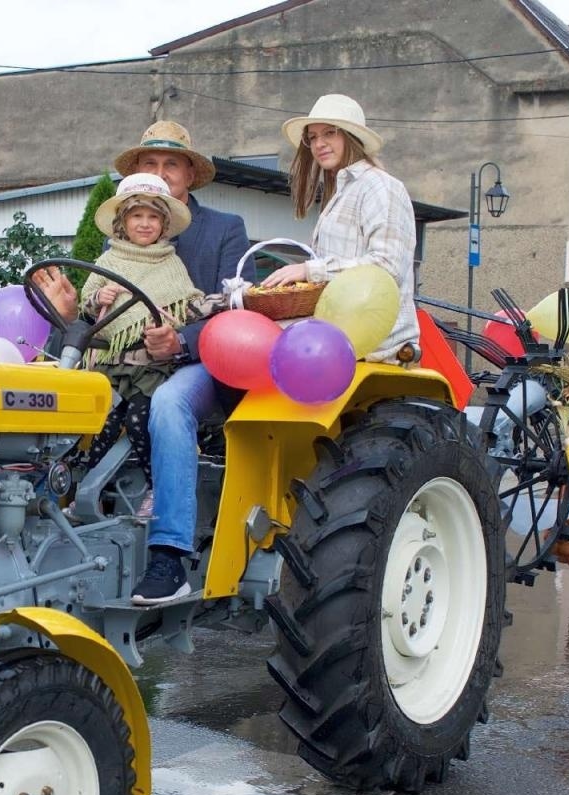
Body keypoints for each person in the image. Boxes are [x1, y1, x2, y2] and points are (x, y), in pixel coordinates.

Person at [32, 121, 254, 605]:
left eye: (170, 164)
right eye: (149, 163)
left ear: (190, 175)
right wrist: (73, 314)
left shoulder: (223, 230)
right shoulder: (114, 244)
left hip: (196, 362)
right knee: (52, 388)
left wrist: (179, 342)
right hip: (116, 356)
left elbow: (239, 309)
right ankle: (44, 505)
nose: (160, 172)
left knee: (169, 404)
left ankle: (169, 556)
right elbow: (92, 308)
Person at [73, 172, 206, 519]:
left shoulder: (170, 262)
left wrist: (181, 315)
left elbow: (186, 303)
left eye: (153, 217)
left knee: (138, 420)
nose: (145, 224)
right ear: (122, 222)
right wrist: (97, 298)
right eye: (137, 216)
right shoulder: (108, 261)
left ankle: (155, 486)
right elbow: (87, 302)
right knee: (100, 424)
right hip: (110, 360)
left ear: (163, 225)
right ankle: (89, 490)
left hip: (150, 366)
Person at [260, 94, 419, 362]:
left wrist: (309, 270)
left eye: (329, 134)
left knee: (265, 346)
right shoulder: (342, 192)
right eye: (312, 137)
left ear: (350, 136)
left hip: (377, 348)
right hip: (339, 336)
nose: (319, 144)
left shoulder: (381, 187)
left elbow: (387, 267)